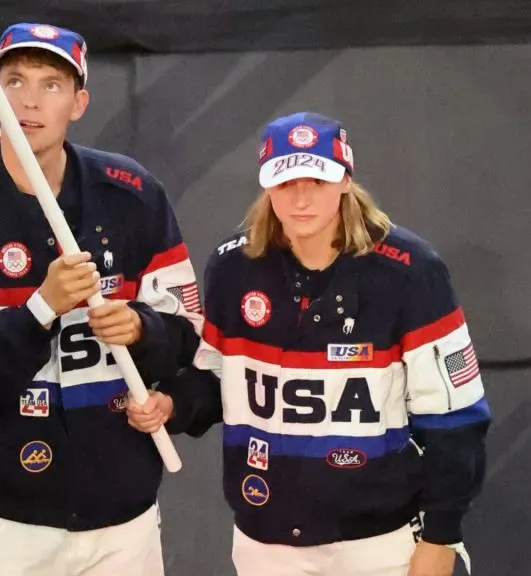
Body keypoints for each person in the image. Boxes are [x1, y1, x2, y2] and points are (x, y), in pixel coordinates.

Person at [128, 112, 491, 576]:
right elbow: (217, 374)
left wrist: (442, 535)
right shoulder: (233, 267)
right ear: (267, 188)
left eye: (317, 182)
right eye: (285, 183)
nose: (301, 199)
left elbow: (455, 417)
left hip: (377, 544)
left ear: (345, 180)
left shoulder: (411, 271)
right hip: (265, 539)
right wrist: (173, 404)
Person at [0, 22, 204, 576]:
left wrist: (142, 329)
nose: (29, 99)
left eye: (51, 84)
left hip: (123, 520)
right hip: (3, 526)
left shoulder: (135, 195)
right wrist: (42, 307)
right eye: (14, 80)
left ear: (79, 102)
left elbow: (188, 334)